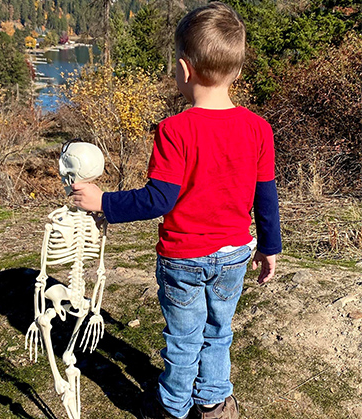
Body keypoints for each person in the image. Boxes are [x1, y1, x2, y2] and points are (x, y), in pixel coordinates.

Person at [70, 3, 281, 419]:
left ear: (185, 70)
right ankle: (214, 402)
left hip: (183, 257)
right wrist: (268, 246)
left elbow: (159, 199)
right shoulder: (258, 129)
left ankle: (172, 409)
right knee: (218, 332)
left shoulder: (174, 130)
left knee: (184, 339)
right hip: (235, 253)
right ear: (237, 72)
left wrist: (104, 203)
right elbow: (266, 195)